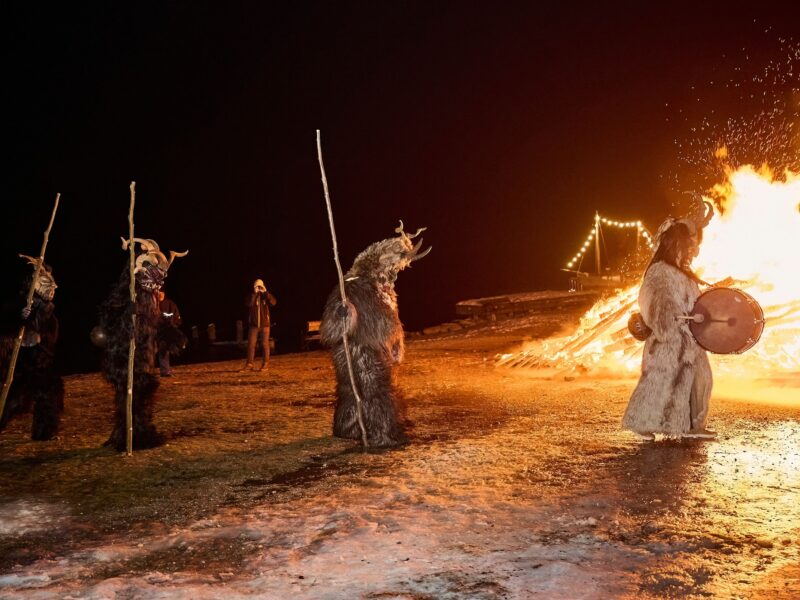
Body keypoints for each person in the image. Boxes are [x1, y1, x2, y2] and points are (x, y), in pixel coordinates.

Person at [622, 210, 716, 441]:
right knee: (661, 380)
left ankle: (693, 426)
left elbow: (696, 304)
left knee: (701, 379)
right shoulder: (659, 272)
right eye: (689, 246)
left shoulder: (685, 275)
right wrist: (672, 327)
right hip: (669, 341)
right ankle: (642, 423)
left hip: (691, 339)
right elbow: (658, 303)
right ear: (676, 245)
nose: (693, 251)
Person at [244, 279, 276, 371]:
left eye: (260, 286)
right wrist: (254, 293)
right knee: (251, 345)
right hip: (253, 325)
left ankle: (265, 364)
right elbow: (248, 304)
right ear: (254, 286)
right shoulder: (251, 296)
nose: (259, 288)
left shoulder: (265, 296)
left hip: (265, 325)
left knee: (265, 344)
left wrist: (265, 292)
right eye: (257, 286)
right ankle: (249, 364)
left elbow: (273, 302)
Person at [157, 289, 182, 376]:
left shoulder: (170, 304)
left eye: (161, 293)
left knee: (164, 350)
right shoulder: (152, 304)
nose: (160, 295)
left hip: (165, 332)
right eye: (158, 293)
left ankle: (165, 371)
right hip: (153, 330)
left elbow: (177, 318)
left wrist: (173, 326)